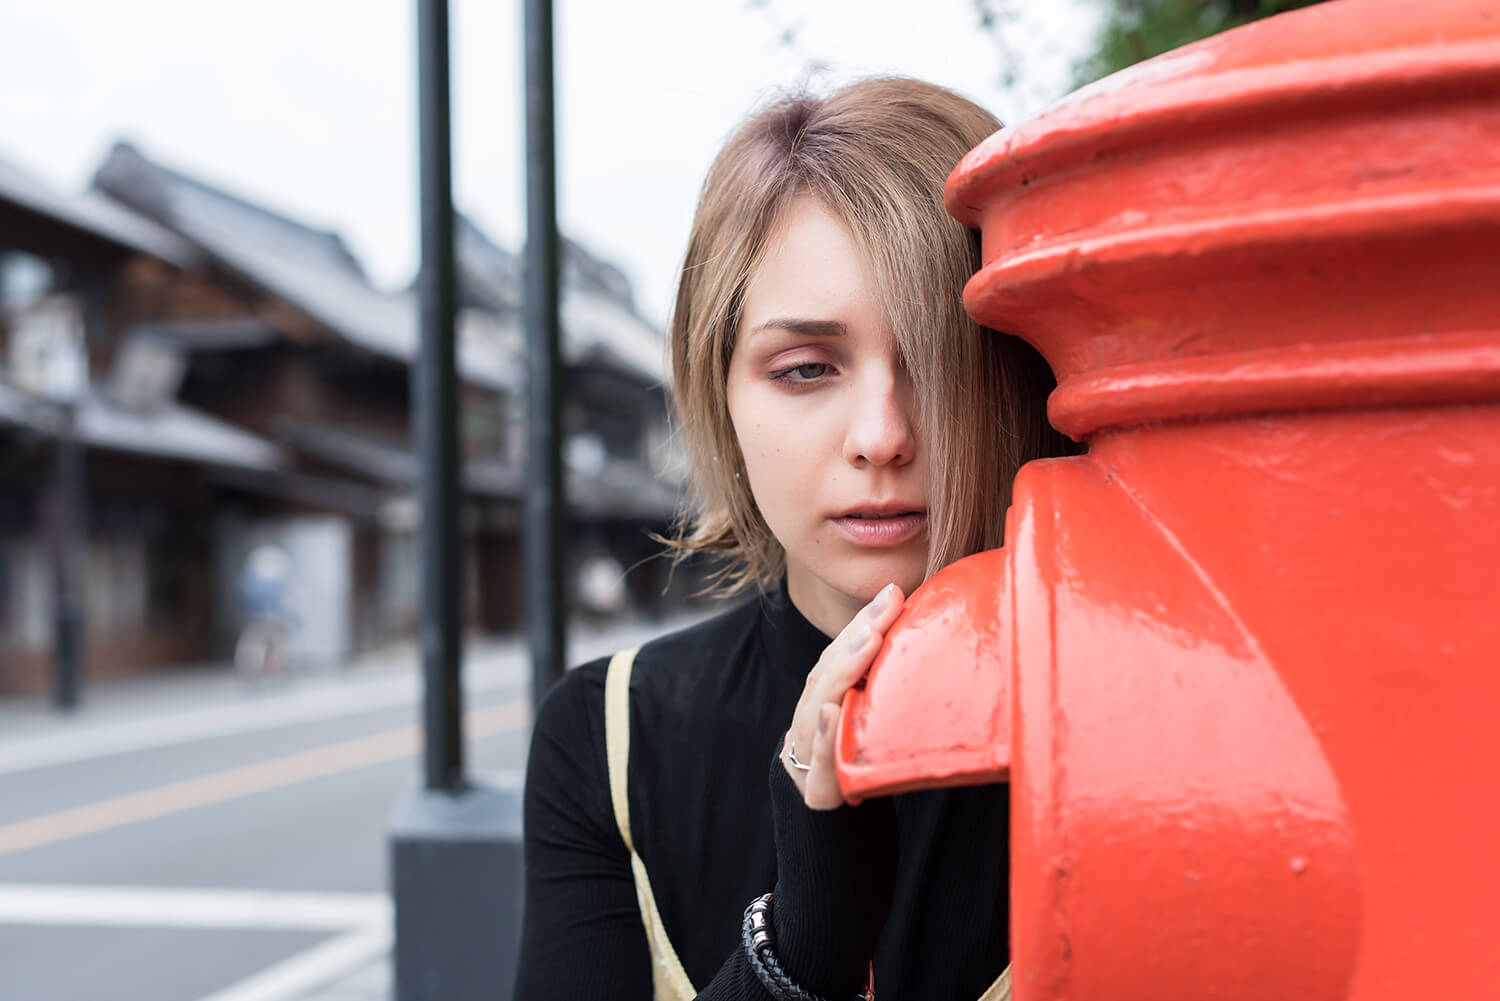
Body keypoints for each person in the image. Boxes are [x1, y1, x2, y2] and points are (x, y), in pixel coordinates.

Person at [515, 77, 1074, 1001]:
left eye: (944, 359)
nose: (882, 434)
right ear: (720, 392)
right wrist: (797, 948)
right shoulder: (611, 732)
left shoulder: (1150, 705)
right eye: (807, 367)